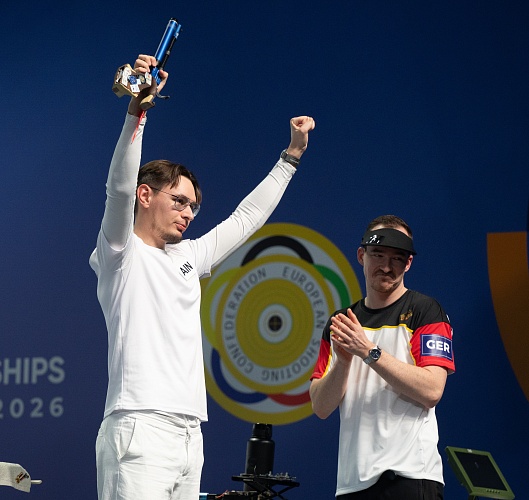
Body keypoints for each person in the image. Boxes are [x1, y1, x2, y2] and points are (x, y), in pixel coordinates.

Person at [89, 54, 315, 500]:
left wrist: (291, 157)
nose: (189, 213)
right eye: (179, 201)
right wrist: (137, 112)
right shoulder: (119, 252)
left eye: (193, 206)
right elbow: (118, 188)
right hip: (139, 425)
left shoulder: (190, 255)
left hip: (191, 434)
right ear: (145, 195)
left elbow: (247, 218)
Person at [309, 215, 455, 500]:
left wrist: (368, 351)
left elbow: (432, 390)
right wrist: (344, 362)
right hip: (352, 483)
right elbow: (321, 407)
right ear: (361, 256)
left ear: (408, 263)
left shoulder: (426, 311)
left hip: (410, 476)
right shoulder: (341, 323)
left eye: (397, 258)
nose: (387, 266)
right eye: (378, 254)